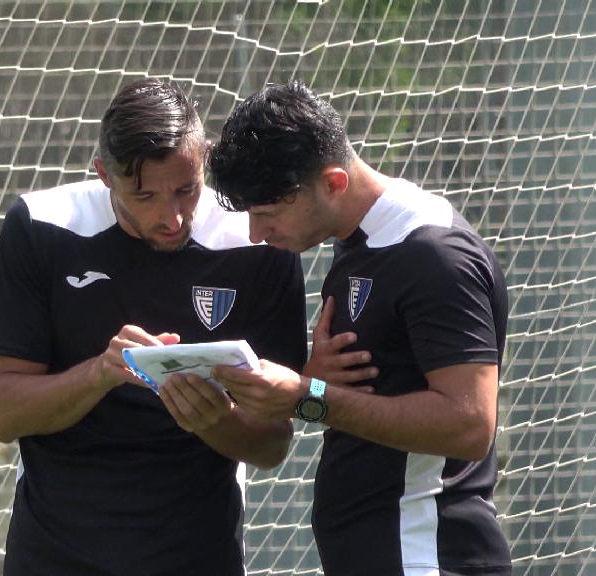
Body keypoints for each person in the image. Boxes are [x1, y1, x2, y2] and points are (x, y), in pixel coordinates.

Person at [0, 78, 308, 576]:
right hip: (55, 552)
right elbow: (2, 415)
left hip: (196, 551)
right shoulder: (42, 225)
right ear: (103, 176)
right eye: (145, 196)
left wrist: (214, 419)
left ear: (206, 158)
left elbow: (272, 445)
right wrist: (99, 374)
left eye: (185, 189)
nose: (171, 216)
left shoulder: (256, 243)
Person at [207, 81, 512, 576]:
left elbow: (470, 424)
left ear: (333, 183)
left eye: (266, 213)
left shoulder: (433, 255)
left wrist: (307, 396)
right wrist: (313, 382)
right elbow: (374, 393)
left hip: (426, 556)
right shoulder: (361, 240)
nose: (255, 234)